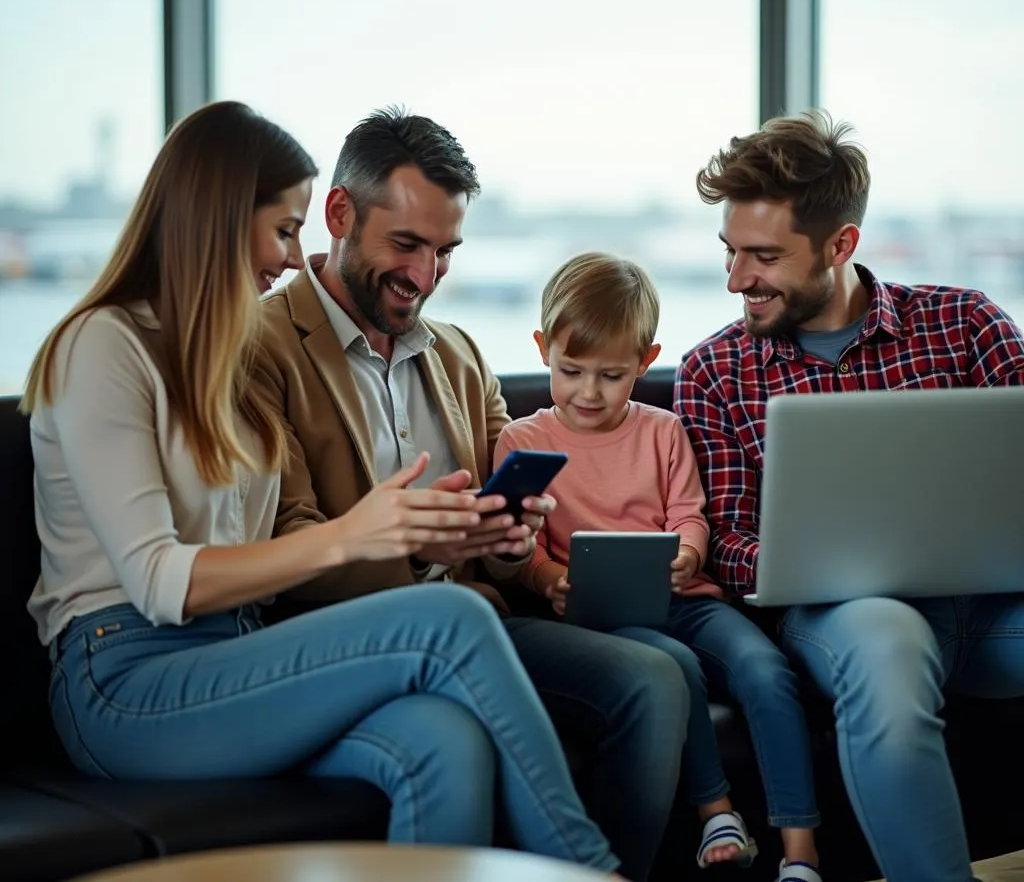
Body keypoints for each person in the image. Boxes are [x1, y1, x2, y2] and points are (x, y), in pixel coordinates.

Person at [20, 100, 621, 877]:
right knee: (451, 617)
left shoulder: (220, 354)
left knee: (441, 739)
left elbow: (259, 543)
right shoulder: (103, 344)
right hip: (123, 677)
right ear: (214, 219)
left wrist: (445, 534)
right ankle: (596, 870)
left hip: (236, 648)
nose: (294, 255)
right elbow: (158, 580)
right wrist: (357, 534)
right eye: (282, 229)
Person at [255, 106, 691, 882]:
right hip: (345, 641)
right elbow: (286, 544)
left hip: (481, 620)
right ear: (340, 214)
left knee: (653, 681)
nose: (425, 276)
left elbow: (504, 519)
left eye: (445, 251)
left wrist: (514, 537)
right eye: (407, 245)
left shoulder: (454, 352)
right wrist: (424, 548)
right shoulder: (264, 346)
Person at [676, 108, 1024, 882]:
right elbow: (727, 542)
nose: (737, 281)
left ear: (840, 246)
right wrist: (810, 558)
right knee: (887, 650)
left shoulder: (967, 324)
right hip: (846, 622)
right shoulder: (715, 372)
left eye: (763, 257)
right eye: (730, 254)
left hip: (993, 610)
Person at [496, 251, 825, 881]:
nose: (589, 392)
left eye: (612, 376)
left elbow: (690, 513)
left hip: (689, 598)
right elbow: (522, 542)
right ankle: (715, 810)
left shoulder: (663, 430)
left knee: (765, 668)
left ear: (646, 363)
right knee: (673, 669)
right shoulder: (522, 440)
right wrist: (546, 580)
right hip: (604, 617)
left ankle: (801, 854)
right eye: (571, 370)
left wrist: (689, 552)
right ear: (542, 350)